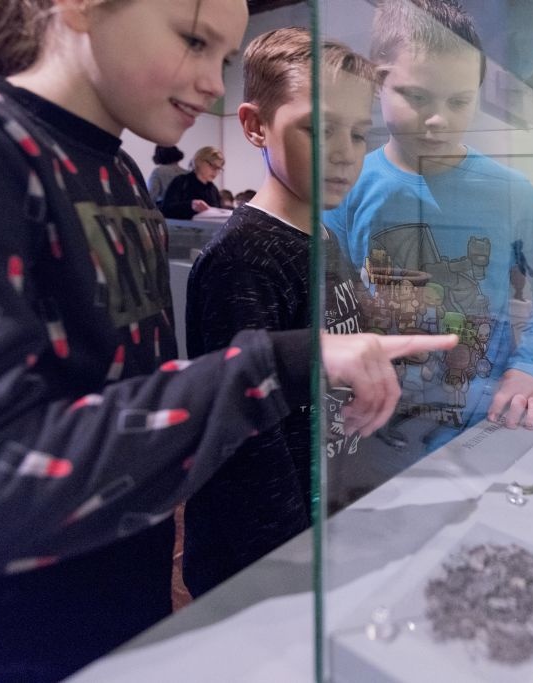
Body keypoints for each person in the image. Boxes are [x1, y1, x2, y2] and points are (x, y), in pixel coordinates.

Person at [0, 1, 454, 679]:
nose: (213, 81)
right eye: (192, 41)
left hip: (129, 598)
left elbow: (142, 406)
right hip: (12, 640)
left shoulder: (119, 174)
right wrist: (274, 367)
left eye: (224, 57)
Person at [182, 28, 385, 597]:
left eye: (360, 133)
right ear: (254, 126)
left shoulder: (323, 233)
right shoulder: (243, 259)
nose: (345, 151)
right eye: (319, 128)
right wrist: (295, 564)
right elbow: (248, 440)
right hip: (268, 559)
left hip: (330, 514)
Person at [325, 0, 533, 451]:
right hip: (372, 422)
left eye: (459, 100)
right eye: (417, 96)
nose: (439, 118)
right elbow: (330, 299)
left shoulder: (512, 191)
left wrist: (532, 367)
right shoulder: (346, 187)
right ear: (380, 83)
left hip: (483, 418)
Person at [160, 144, 224, 219]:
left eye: (219, 168)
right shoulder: (181, 182)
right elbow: (166, 210)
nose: (216, 171)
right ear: (199, 161)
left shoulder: (213, 189)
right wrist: (190, 205)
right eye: (213, 166)